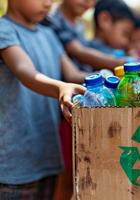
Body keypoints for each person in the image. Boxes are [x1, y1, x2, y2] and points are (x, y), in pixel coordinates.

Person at [0, 0, 86, 199]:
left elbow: (72, 74)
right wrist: (61, 88)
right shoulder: (4, 29)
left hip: (46, 156)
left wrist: (111, 76)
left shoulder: (49, 34)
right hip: (13, 166)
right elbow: (25, 71)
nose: (48, 3)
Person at [44, 0, 125, 72]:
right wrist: (122, 63)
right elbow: (80, 52)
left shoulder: (79, 24)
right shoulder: (53, 18)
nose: (89, 1)